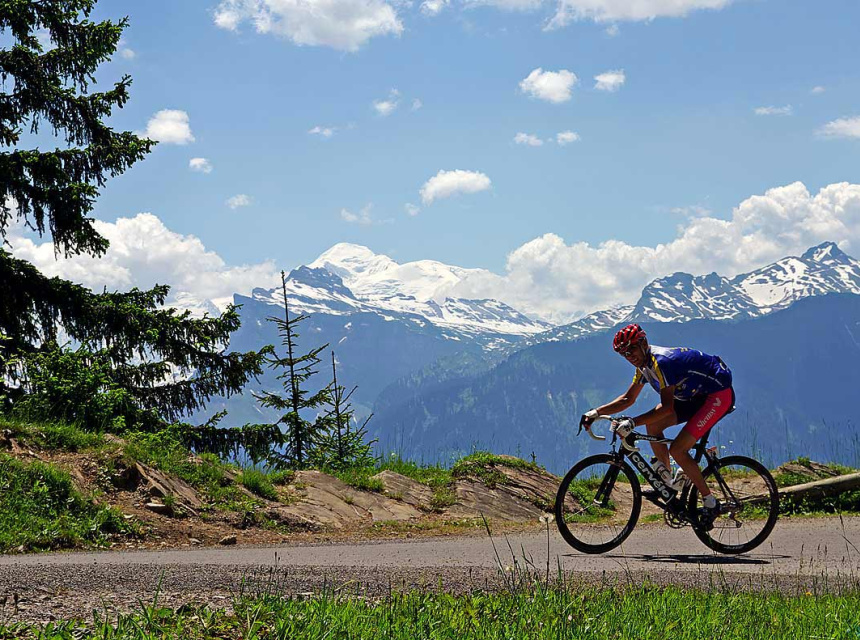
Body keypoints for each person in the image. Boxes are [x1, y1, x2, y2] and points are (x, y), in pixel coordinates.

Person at [581, 324, 735, 529]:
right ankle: (667, 484)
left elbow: (668, 408)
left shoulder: (661, 363)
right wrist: (596, 412)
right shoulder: (643, 366)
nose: (629, 356)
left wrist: (633, 422)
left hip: (717, 395)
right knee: (653, 425)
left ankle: (710, 502)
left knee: (678, 450)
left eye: (631, 349)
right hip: (694, 395)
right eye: (623, 354)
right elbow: (628, 399)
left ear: (643, 343)